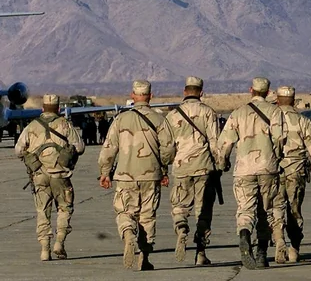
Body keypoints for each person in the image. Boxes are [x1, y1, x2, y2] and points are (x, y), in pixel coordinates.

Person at [98, 80, 175, 271]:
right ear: (150, 96)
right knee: (147, 216)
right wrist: (163, 168)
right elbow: (169, 149)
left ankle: (128, 234)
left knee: (125, 212)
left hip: (125, 176)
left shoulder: (120, 120)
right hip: (151, 176)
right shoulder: (159, 120)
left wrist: (105, 173)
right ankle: (144, 256)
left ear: (133, 96)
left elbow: (108, 149)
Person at [216, 77, 281, 270]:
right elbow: (279, 138)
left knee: (246, 210)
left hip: (244, 170)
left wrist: (223, 162)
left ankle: (244, 233)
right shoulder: (275, 112)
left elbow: (225, 142)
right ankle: (261, 254)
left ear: (251, 90)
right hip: (268, 168)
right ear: (268, 92)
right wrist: (276, 157)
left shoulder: (238, 113)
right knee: (266, 211)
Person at [15, 94, 85, 261]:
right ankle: (59, 242)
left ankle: (44, 249)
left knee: (42, 211)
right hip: (60, 175)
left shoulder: (31, 126)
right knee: (64, 208)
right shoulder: (65, 125)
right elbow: (80, 147)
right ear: (59, 109)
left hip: (39, 175)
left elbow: (19, 150)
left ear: (42, 109)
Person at [166, 76, 221, 265]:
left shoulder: (172, 115)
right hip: (204, 167)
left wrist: (166, 165)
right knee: (203, 210)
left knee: (180, 205)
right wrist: (220, 165)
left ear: (184, 92)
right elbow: (215, 143)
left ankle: (181, 227)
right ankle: (201, 253)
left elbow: (167, 147)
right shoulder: (208, 112)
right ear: (201, 93)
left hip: (181, 168)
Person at [270, 85, 311, 263]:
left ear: (277, 100)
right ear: (293, 100)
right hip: (296, 170)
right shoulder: (302, 121)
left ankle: (278, 240)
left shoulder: (269, 119)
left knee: (276, 208)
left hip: (274, 170)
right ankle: (294, 248)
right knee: (294, 209)